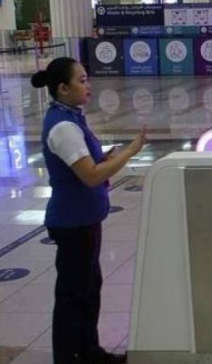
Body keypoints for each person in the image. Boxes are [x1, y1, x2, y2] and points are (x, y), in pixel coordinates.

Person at [31, 57, 147, 364]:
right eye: (81, 81)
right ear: (63, 88)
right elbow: (91, 175)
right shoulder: (63, 127)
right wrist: (131, 152)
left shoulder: (70, 117)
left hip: (84, 219)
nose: (88, 86)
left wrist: (109, 155)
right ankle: (72, 356)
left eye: (87, 79)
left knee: (87, 289)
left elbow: (88, 162)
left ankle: (89, 352)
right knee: (73, 296)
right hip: (72, 222)